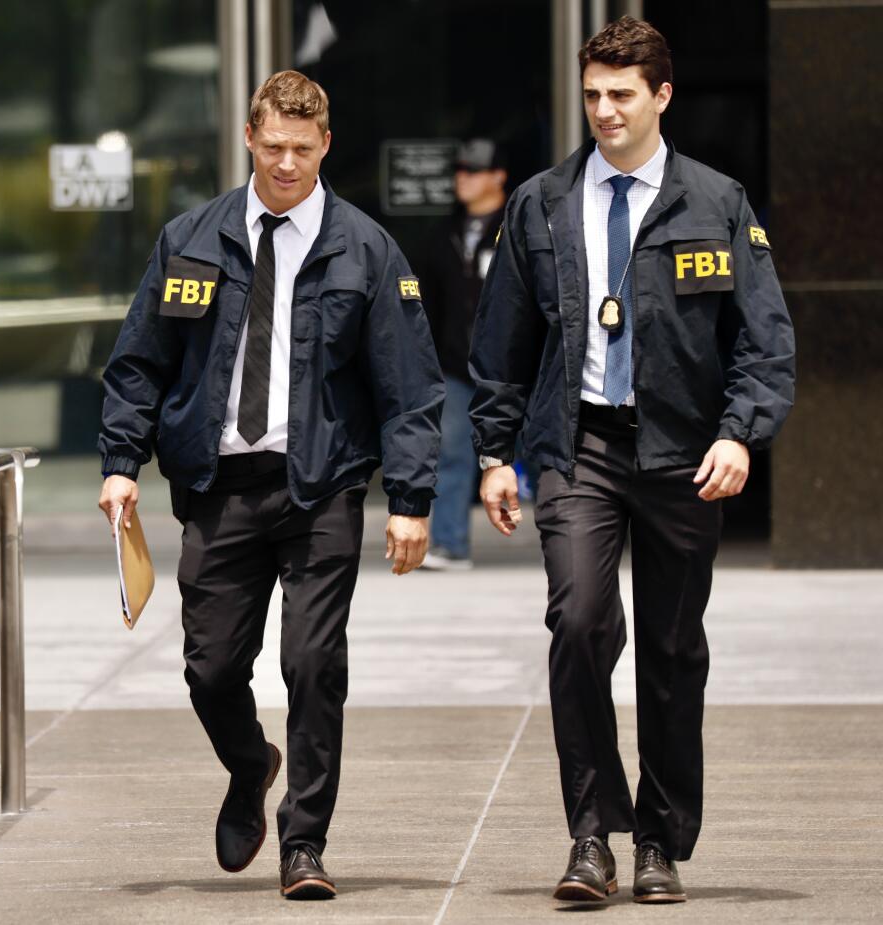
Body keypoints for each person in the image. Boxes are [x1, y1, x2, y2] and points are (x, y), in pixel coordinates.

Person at [469, 17, 794, 905]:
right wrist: (494, 450)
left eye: (621, 94)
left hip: (686, 454)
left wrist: (739, 431)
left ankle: (659, 839)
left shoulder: (717, 202)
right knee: (578, 622)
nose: (604, 111)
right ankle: (589, 834)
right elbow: (501, 342)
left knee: (670, 647)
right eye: (592, 95)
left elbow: (765, 341)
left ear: (662, 95)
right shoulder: (540, 202)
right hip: (579, 445)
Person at [97, 70, 443, 901]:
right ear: (248, 139)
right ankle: (251, 763)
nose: (286, 163)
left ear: (326, 144)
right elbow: (139, 362)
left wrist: (412, 499)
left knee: (314, 660)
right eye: (273, 146)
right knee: (211, 667)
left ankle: (305, 842)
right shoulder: (191, 238)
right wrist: (119, 462)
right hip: (218, 486)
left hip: (318, 482)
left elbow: (410, 386)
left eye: (303, 148)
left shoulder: (366, 248)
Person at [419, 139, 507, 570]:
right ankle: (450, 544)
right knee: (452, 451)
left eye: (473, 171)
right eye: (460, 171)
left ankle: (570, 541)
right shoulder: (444, 235)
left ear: (498, 176)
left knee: (550, 451)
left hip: (513, 368)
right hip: (455, 365)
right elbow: (428, 304)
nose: (463, 179)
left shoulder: (519, 226)